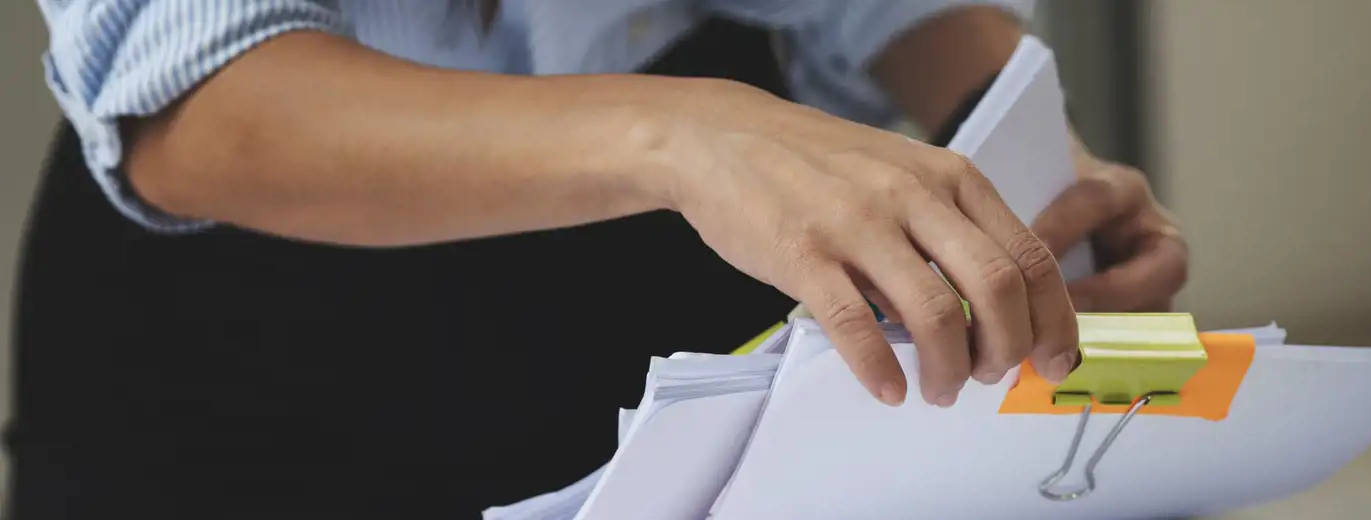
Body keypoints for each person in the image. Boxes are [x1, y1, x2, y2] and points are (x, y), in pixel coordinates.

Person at [7, 1, 1188, 518]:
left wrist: (1017, 173)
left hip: (694, 243)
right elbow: (196, 98)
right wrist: (689, 138)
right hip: (273, 289)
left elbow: (888, 10)